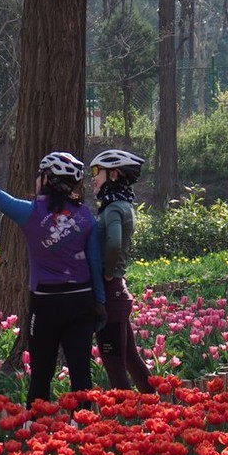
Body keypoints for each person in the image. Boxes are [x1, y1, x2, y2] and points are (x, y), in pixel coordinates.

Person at [0, 140, 106, 407]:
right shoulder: (85, 216)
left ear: (47, 179)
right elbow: (94, 261)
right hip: (81, 301)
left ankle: (36, 426)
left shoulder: (30, 213)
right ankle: (85, 426)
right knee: (81, 375)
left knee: (41, 376)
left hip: (46, 304)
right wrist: (100, 302)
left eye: (39, 175)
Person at [89, 149, 154, 393]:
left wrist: (108, 272)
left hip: (110, 292)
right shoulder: (122, 205)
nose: (93, 177)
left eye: (97, 171)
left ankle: (125, 415)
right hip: (117, 292)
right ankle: (155, 404)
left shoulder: (114, 208)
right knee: (130, 358)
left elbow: (114, 243)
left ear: (114, 174)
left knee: (114, 366)